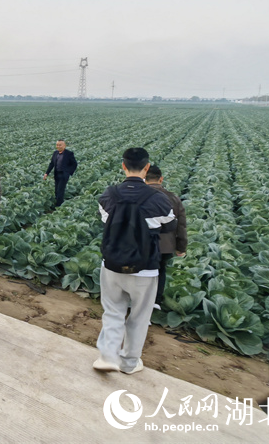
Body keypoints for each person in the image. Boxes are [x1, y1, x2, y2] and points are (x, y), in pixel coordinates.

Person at [93, 147, 175, 375]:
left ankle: (108, 355)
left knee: (112, 310)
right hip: (146, 268)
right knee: (139, 317)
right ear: (147, 168)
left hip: (112, 265)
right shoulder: (159, 200)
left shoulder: (108, 195)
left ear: (123, 166)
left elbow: (105, 221)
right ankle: (129, 363)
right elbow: (169, 227)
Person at [144, 165, 188, 308]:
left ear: (144, 179)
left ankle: (137, 302)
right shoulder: (173, 198)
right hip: (165, 245)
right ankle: (155, 301)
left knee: (140, 271)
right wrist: (181, 247)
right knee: (160, 271)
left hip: (142, 243)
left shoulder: (139, 195)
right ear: (161, 179)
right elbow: (181, 225)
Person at [43, 139, 78, 207]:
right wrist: (47, 173)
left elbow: (74, 164)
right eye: (57, 145)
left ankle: (59, 205)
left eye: (60, 145)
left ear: (64, 146)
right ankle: (59, 202)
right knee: (56, 190)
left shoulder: (69, 153)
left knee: (60, 190)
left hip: (64, 174)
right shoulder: (55, 153)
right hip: (57, 174)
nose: (58, 146)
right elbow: (52, 164)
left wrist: (69, 172)